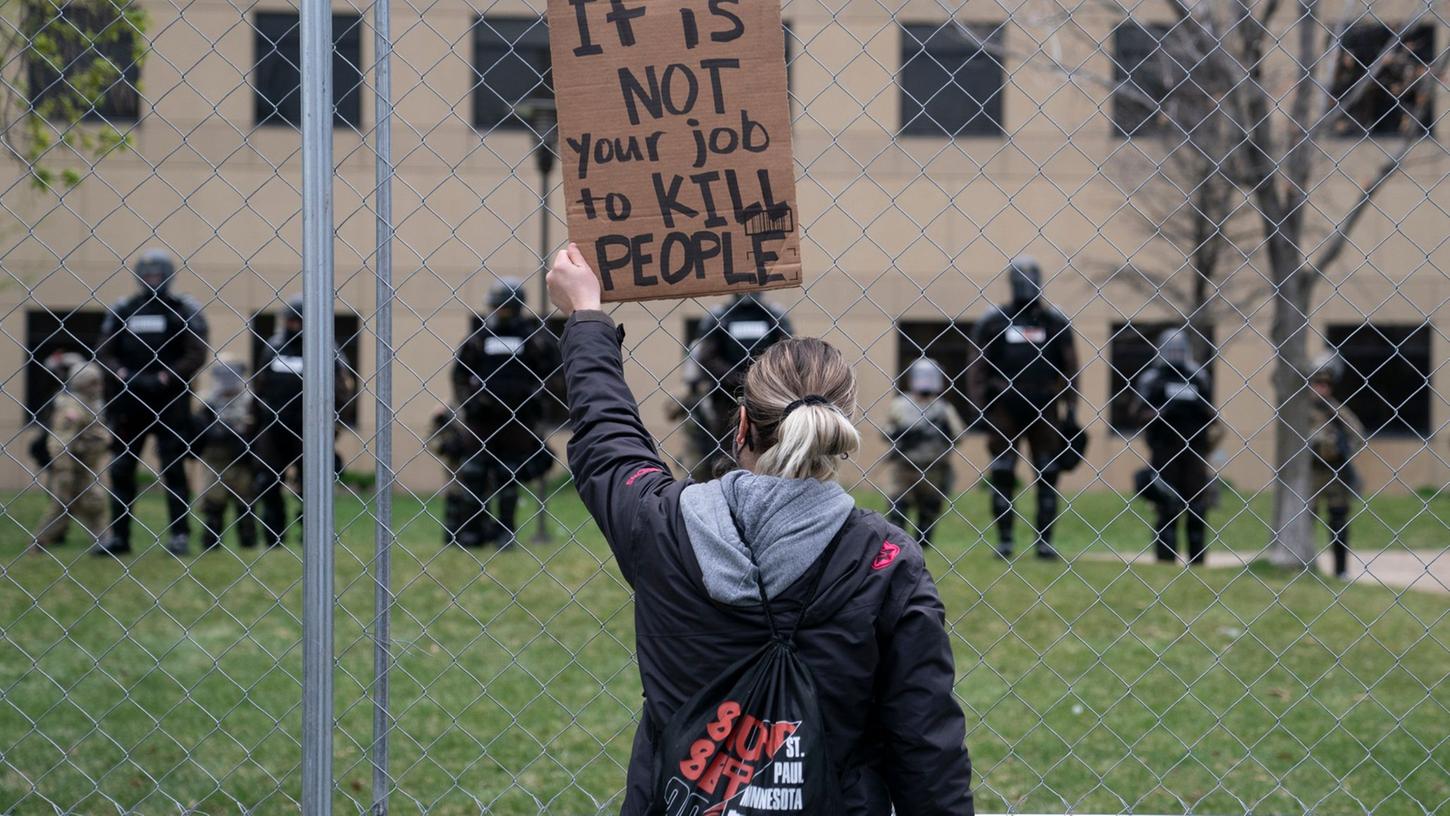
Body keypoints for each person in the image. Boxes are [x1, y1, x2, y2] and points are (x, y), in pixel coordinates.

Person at [547, 243, 973, 815]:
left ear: (742, 422)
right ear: (835, 432)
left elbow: (609, 444)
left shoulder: (663, 527)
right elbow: (926, 748)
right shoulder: (886, 559)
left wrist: (587, 317)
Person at [93, 250, 209, 557]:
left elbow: (196, 353)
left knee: (173, 468)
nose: (152, 280)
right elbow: (103, 351)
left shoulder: (183, 309)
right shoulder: (123, 309)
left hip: (169, 402)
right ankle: (119, 537)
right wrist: (122, 374)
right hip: (128, 402)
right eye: (148, 275)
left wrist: (165, 377)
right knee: (121, 469)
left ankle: (180, 536)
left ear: (169, 275)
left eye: (158, 274)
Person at [968, 256, 1079, 560]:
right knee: (1003, 472)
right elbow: (977, 369)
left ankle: (1045, 542)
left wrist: (1071, 409)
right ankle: (1005, 541)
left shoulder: (1055, 322)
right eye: (1021, 279)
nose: (1026, 286)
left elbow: (1070, 367)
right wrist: (981, 409)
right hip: (1004, 406)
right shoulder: (993, 321)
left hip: (1045, 406)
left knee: (1047, 472)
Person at [451, 278, 561, 548]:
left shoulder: (532, 337)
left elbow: (552, 375)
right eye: (494, 306)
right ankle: (472, 532)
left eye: (501, 307)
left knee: (507, 474)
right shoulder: (480, 337)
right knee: (474, 472)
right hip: (483, 420)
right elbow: (460, 374)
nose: (495, 311)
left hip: (518, 420)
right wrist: (470, 402)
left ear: (513, 307)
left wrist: (536, 401)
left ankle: (505, 532)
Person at [252, 295, 355, 548]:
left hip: (311, 430)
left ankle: (311, 535)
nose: (294, 327)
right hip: (275, 428)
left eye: (299, 322)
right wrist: (260, 418)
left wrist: (333, 426)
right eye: (290, 321)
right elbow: (259, 386)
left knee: (312, 485)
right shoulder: (273, 348)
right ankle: (273, 537)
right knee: (268, 482)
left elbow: (342, 392)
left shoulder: (326, 351)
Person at [1133, 328, 1218, 565]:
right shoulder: (1152, 378)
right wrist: (1160, 413)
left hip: (1194, 453)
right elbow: (1137, 413)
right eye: (1171, 349)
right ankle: (1165, 560)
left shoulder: (1198, 376)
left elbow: (1213, 414)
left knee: (1197, 507)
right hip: (1164, 451)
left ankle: (1198, 560)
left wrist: (1196, 406)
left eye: (1180, 349)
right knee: (1167, 504)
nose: (1175, 354)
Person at [691, 292, 794, 475]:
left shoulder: (773, 316)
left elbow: (787, 351)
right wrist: (739, 379)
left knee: (768, 441)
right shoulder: (720, 316)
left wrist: (758, 377)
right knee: (723, 446)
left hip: (766, 394)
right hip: (726, 397)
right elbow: (705, 357)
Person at [881, 358, 966, 546]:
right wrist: (900, 433)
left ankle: (922, 544)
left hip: (933, 467)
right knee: (898, 506)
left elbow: (958, 435)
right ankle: (898, 542)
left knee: (929, 509)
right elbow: (886, 432)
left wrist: (943, 432)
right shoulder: (900, 405)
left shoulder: (943, 408)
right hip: (904, 466)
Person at [33, 360, 110, 552]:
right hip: (72, 467)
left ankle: (103, 542)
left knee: (94, 503)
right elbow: (60, 442)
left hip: (85, 466)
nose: (98, 387)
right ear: (82, 384)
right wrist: (65, 472)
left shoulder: (91, 404)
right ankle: (38, 544)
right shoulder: (73, 406)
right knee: (62, 506)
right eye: (93, 383)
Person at [1308, 352, 1365, 580]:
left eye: (1325, 385)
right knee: (1304, 520)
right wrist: (1319, 440)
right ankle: (1306, 564)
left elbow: (1357, 434)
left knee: (1339, 520)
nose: (1321, 389)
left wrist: (1339, 443)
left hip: (1335, 472)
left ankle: (1340, 570)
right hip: (1310, 471)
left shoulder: (1337, 410)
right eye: (1317, 384)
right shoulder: (1302, 411)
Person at [193, 357, 257, 551]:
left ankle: (248, 543)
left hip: (241, 461)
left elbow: (255, 428)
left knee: (245, 503)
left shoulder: (248, 400)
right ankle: (211, 543)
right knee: (213, 504)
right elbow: (198, 429)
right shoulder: (208, 400)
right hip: (216, 460)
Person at [427, 402, 476, 547]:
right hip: (456, 467)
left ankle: (475, 536)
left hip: (476, 464)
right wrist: (437, 419)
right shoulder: (448, 412)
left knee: (475, 503)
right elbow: (431, 441)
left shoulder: (473, 409)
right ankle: (452, 538)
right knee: (454, 501)